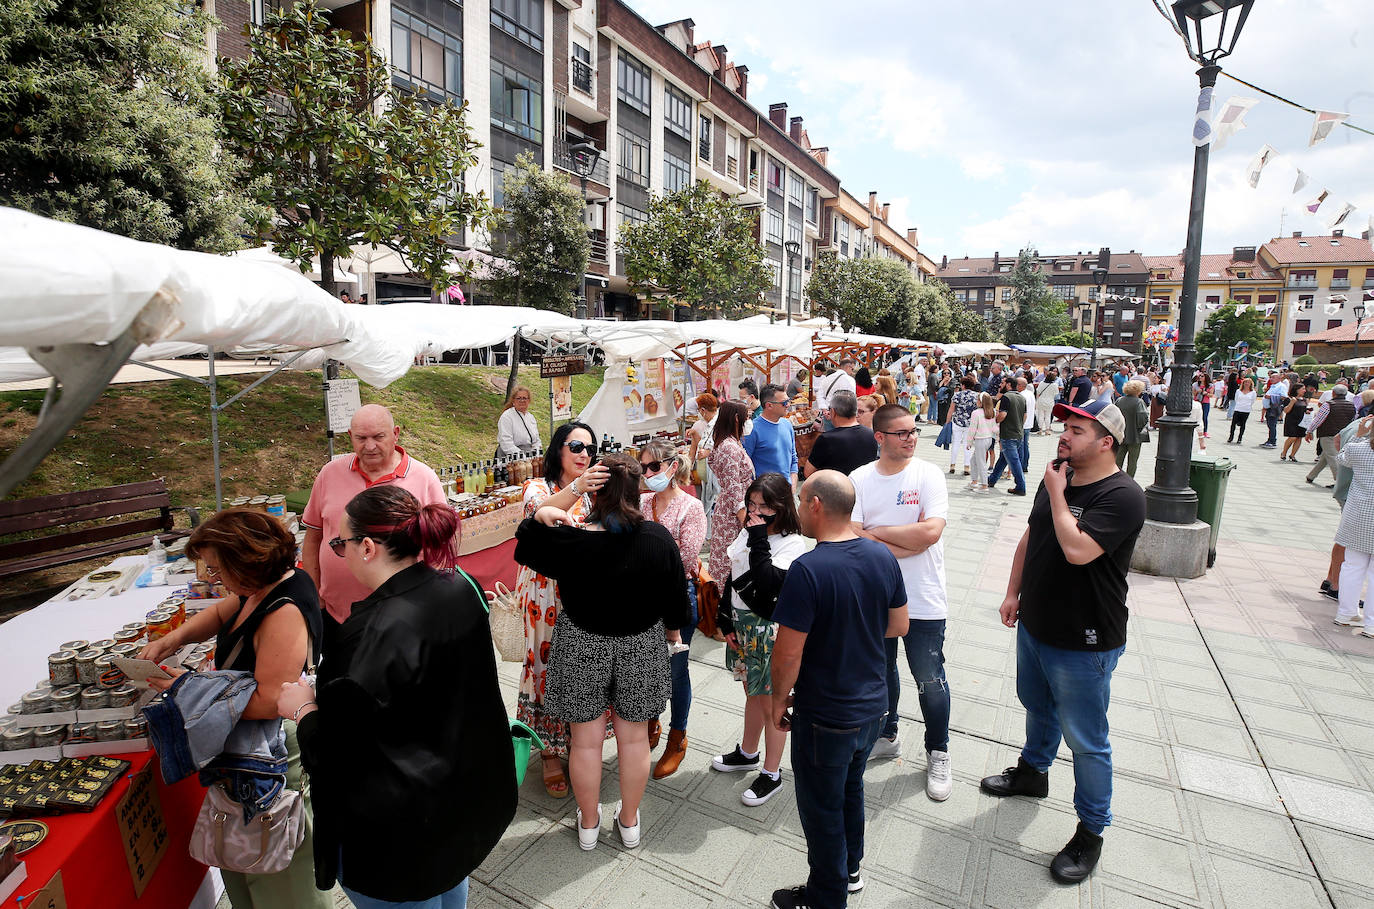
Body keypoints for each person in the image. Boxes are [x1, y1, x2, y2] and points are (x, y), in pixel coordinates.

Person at [276, 487, 515, 909]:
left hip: (399, 834)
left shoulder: (371, 632)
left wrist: (303, 708)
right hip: (459, 801)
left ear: (367, 547)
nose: (339, 553)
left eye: (339, 543)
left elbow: (335, 753)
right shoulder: (458, 584)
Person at [981, 397, 1146, 885]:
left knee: (1087, 740)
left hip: (1085, 638)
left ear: (1106, 442)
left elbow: (1077, 550)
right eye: (1065, 427)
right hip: (1036, 623)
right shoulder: (1061, 476)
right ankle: (1033, 772)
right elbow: (1032, 538)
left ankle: (1091, 831)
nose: (1064, 436)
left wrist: (1057, 492)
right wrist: (1013, 591)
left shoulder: (1123, 494)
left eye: (1077, 430)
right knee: (1036, 704)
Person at [141, 508, 328, 909]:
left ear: (247, 560)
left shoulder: (284, 611)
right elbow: (223, 611)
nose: (213, 579)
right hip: (245, 753)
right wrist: (171, 640)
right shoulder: (258, 588)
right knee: (243, 858)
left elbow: (267, 701)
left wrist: (186, 688)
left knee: (281, 877)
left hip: (271, 753)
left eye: (216, 569)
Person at [514, 454, 691, 851]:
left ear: (595, 490)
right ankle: (628, 822)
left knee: (587, 742)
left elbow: (525, 536)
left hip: (582, 642)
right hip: (640, 643)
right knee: (633, 742)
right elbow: (677, 604)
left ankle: (589, 823)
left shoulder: (571, 540)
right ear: (636, 490)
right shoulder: (658, 539)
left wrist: (568, 494)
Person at [766, 471, 908, 909]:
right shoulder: (881, 556)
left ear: (814, 506)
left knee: (821, 808)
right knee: (850, 788)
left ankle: (827, 898)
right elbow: (899, 624)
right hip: (872, 706)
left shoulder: (808, 569)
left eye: (799, 499)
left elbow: (787, 655)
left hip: (825, 712)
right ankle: (850, 870)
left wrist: (777, 701)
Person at [851, 405, 953, 801]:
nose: (911, 437)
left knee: (929, 677)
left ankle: (938, 749)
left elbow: (930, 533)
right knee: (881, 670)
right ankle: (888, 732)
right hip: (875, 596)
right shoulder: (859, 479)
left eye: (913, 431)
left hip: (923, 597)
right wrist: (899, 540)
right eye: (901, 433)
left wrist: (878, 535)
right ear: (879, 437)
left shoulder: (928, 474)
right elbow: (854, 536)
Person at [514, 420, 610, 799]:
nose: (583, 454)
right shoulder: (537, 486)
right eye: (575, 446)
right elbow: (536, 514)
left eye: (589, 448)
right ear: (558, 450)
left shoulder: (593, 494)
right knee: (544, 664)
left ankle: (577, 739)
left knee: (579, 666)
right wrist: (576, 489)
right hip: (543, 593)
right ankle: (550, 752)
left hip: (582, 592)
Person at [712, 474, 810, 806]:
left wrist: (756, 536)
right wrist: (724, 615)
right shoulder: (752, 530)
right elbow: (733, 573)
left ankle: (772, 774)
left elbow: (768, 583)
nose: (755, 512)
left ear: (781, 507)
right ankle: (748, 752)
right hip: (741, 625)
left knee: (772, 704)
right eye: (751, 504)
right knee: (752, 694)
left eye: (764, 506)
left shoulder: (792, 543)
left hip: (768, 630)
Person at [302, 404, 445, 626]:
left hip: (404, 614)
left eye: (379, 437)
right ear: (350, 436)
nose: (370, 446)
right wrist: (314, 592)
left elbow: (440, 545)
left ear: (395, 434)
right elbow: (313, 538)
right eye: (361, 438)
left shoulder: (423, 477)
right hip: (336, 613)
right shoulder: (329, 473)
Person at [638, 440, 707, 780]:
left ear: (671, 466)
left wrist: (642, 560)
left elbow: (687, 557)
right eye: (643, 469)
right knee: (647, 666)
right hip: (640, 598)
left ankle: (678, 737)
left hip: (677, 597)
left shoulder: (690, 507)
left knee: (676, 671)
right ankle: (652, 718)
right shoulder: (641, 501)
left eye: (653, 467)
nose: (648, 474)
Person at [708, 401, 756, 596]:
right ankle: (722, 610)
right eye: (747, 417)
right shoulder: (729, 447)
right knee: (728, 561)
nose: (749, 421)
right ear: (737, 419)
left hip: (733, 510)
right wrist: (744, 518)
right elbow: (733, 486)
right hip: (733, 515)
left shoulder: (731, 442)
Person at [1332, 415, 1374, 638]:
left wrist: (1359, 434)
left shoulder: (1360, 449)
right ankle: (1371, 623)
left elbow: (1342, 458)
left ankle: (1346, 612)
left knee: (1352, 565)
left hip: (1358, 512)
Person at [804, 390, 877, 478]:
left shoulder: (827, 439)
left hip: (835, 488)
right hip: (862, 488)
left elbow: (808, 473)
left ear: (833, 412)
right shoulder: (871, 434)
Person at [743, 383, 799, 486]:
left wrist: (793, 486)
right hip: (764, 494)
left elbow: (793, 460)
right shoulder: (752, 430)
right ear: (769, 405)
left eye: (789, 401)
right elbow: (745, 466)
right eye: (784, 402)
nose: (788, 405)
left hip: (786, 492)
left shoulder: (787, 425)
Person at [1306, 385, 1357, 485]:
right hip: (1343, 435)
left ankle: (1340, 482)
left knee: (1332, 457)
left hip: (1328, 434)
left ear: (1333, 393)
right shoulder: (1351, 405)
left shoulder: (1328, 405)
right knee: (1325, 457)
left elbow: (1318, 420)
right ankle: (1311, 476)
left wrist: (1309, 431)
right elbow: (1353, 420)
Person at [988, 376, 1028, 496]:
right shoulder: (1022, 397)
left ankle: (1021, 486)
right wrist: (1019, 425)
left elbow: (1003, 415)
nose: (1001, 385)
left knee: (1014, 462)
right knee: (1004, 458)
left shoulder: (1006, 397)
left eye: (1003, 383)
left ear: (1009, 385)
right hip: (1018, 433)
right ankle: (992, 479)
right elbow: (1025, 416)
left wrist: (995, 419)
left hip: (1008, 434)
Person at [688, 392, 720, 518]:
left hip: (715, 478)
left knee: (714, 508)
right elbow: (694, 448)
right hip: (704, 478)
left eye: (699, 410)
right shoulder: (700, 425)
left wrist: (708, 452)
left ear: (702, 410)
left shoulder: (718, 424)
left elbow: (721, 447)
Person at [1115, 380, 1149, 479]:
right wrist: (1140, 427)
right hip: (1135, 436)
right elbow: (1143, 418)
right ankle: (1129, 480)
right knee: (1132, 461)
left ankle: (1115, 479)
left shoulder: (1119, 400)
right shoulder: (1139, 402)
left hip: (1121, 435)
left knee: (1118, 460)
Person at [946, 376, 979, 477]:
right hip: (970, 423)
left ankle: (952, 465)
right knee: (967, 444)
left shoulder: (957, 395)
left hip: (957, 422)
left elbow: (951, 409)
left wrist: (947, 422)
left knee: (955, 443)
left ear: (963, 385)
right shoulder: (977, 396)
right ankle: (966, 466)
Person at [497, 385, 542, 456]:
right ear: (513, 401)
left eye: (525, 398)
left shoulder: (531, 417)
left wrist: (536, 453)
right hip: (510, 456)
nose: (522, 401)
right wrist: (521, 456)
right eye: (519, 398)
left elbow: (536, 440)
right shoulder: (507, 416)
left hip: (529, 457)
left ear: (529, 400)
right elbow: (506, 442)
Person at [967, 393, 999, 492]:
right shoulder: (991, 412)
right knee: (974, 460)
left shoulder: (976, 413)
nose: (976, 402)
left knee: (980, 462)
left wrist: (969, 442)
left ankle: (984, 485)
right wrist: (998, 437)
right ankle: (974, 481)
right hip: (989, 439)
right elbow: (994, 427)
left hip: (980, 439)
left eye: (977, 400)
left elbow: (972, 429)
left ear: (981, 402)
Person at [815, 359, 857, 432]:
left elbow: (819, 396)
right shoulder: (850, 380)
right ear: (848, 367)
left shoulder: (826, 379)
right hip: (843, 416)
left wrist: (825, 410)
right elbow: (851, 400)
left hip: (828, 414)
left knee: (830, 440)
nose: (852, 372)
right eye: (852, 369)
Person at [1280, 386, 1310, 462]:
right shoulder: (1289, 399)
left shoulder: (1305, 400)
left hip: (1302, 421)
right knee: (1293, 437)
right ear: (1297, 390)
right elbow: (1286, 411)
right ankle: (1284, 452)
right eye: (1302, 389)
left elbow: (1305, 409)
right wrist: (1292, 402)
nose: (1304, 390)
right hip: (1292, 420)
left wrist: (1307, 411)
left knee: (1299, 438)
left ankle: (1292, 455)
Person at [1261, 371, 1290, 449]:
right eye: (1271, 377)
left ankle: (1272, 441)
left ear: (1279, 378)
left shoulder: (1281, 386)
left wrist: (1271, 397)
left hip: (1275, 408)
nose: (1271, 379)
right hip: (1269, 407)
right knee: (1270, 424)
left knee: (1272, 424)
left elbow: (1284, 397)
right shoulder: (1273, 386)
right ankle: (1270, 439)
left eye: (1273, 377)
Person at [1228, 378, 1256, 443]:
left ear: (1251, 384)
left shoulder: (1253, 392)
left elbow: (1252, 401)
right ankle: (1231, 437)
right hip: (1238, 409)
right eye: (1245, 382)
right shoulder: (1238, 391)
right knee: (1233, 424)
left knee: (1243, 424)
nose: (1246, 384)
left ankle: (1240, 438)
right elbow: (1236, 399)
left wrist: (1248, 406)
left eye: (1248, 382)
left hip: (1246, 410)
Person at [1035, 368, 1060, 435]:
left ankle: (1040, 429)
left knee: (1040, 415)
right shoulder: (1054, 385)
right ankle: (1047, 430)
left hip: (1041, 401)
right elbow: (1056, 393)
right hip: (1050, 401)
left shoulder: (1041, 383)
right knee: (1048, 416)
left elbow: (1038, 391)